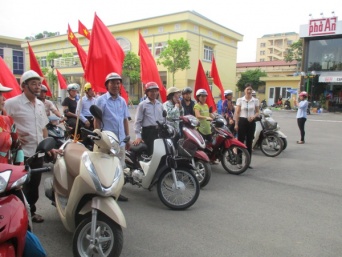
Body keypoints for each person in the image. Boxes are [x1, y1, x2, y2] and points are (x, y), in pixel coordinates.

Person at [4, 70, 50, 223]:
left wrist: (48, 145)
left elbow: (43, 128)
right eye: (33, 84)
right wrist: (13, 135)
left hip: (38, 153)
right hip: (21, 154)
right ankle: (18, 217)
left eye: (39, 84)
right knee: (19, 187)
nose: (38, 87)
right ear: (23, 86)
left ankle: (32, 211)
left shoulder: (40, 104)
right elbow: (3, 121)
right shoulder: (12, 103)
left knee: (35, 185)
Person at [94, 72, 130, 201]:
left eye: (118, 83)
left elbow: (125, 120)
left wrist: (128, 137)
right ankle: (105, 191)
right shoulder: (101, 100)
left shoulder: (122, 101)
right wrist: (97, 136)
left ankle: (117, 192)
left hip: (120, 141)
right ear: (107, 85)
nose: (116, 85)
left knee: (119, 167)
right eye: (113, 83)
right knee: (107, 168)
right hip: (107, 141)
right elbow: (97, 119)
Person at [133, 82, 164, 156]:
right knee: (149, 153)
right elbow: (138, 121)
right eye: (151, 91)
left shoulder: (160, 105)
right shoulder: (142, 105)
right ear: (147, 92)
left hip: (159, 132)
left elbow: (163, 119)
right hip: (148, 133)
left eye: (155, 91)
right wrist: (138, 136)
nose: (154, 93)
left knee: (160, 153)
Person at [234, 83, 260, 169]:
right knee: (240, 142)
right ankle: (239, 161)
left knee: (249, 142)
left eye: (250, 89)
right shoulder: (240, 100)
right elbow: (237, 112)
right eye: (247, 89)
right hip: (242, 121)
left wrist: (254, 116)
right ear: (244, 90)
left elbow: (257, 112)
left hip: (251, 122)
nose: (249, 91)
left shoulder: (255, 100)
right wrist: (236, 124)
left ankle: (248, 162)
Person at [0, 83, 23, 164]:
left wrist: (20, 169)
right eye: (0, 94)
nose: (4, 99)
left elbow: (17, 148)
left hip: (6, 173)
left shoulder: (7, 121)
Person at [76, 82, 96, 148]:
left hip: (93, 120)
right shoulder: (82, 100)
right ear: (86, 91)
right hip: (85, 120)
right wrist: (85, 120)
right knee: (85, 138)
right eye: (91, 90)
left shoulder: (95, 100)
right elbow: (78, 112)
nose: (92, 91)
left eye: (93, 90)